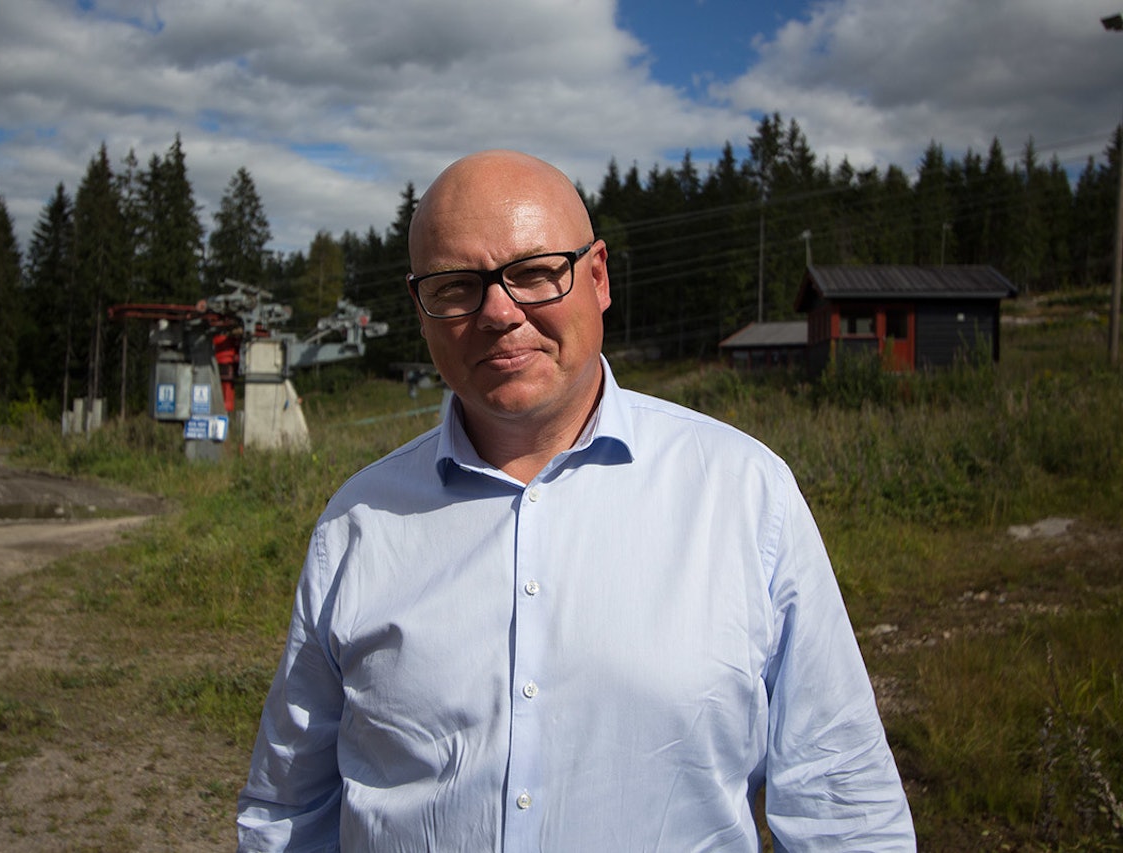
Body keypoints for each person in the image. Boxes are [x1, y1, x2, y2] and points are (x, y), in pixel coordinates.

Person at [238, 150, 915, 851]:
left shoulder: (745, 495)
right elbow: (289, 811)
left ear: (597, 278)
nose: (499, 311)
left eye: (533, 273)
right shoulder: (359, 524)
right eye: (455, 285)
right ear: (422, 309)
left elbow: (847, 810)